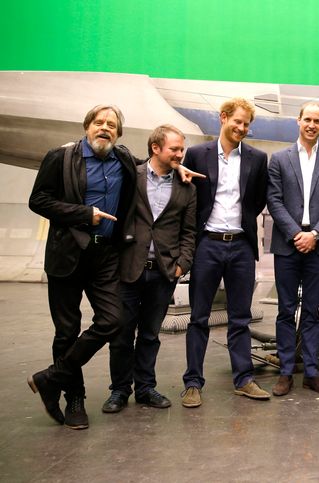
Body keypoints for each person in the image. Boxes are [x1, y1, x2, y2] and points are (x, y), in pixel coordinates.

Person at [27, 105, 138, 429]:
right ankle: (74, 399)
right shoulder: (60, 157)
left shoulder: (124, 160)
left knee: (112, 320)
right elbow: (39, 200)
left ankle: (51, 378)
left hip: (105, 256)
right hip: (68, 255)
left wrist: (177, 168)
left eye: (112, 125)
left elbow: (148, 170)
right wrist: (82, 214)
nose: (105, 128)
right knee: (67, 331)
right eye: (99, 122)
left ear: (118, 133)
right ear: (88, 126)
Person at [181, 98, 270, 408]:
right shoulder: (196, 154)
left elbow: (257, 200)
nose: (242, 128)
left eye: (246, 124)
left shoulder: (258, 159)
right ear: (223, 118)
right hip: (207, 244)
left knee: (240, 318)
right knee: (198, 317)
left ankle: (243, 379)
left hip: (242, 246)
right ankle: (193, 383)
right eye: (238, 121)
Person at [102, 125, 197, 413]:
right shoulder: (133, 176)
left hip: (163, 272)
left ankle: (145, 388)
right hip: (128, 268)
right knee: (121, 335)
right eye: (175, 149)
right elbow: (116, 152)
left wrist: (183, 264)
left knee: (149, 335)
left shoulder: (187, 187)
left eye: (182, 149)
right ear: (155, 148)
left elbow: (190, 232)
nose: (181, 154)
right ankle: (119, 390)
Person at [266, 102, 319, 397]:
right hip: (288, 246)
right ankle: (286, 372)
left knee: (312, 311)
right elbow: (274, 200)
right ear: (298, 121)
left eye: (317, 121)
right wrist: (296, 234)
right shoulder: (279, 159)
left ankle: (311, 373)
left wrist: (315, 234)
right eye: (307, 119)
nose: (312, 124)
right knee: (286, 310)